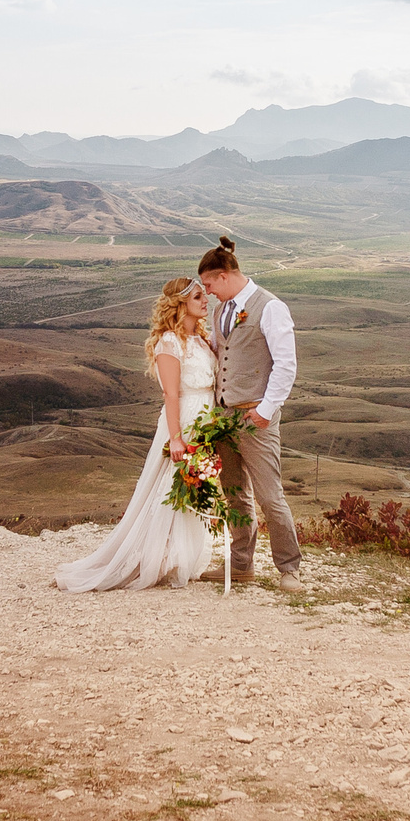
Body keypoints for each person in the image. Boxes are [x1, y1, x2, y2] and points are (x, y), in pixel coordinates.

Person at [51, 276, 219, 592]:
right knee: (170, 487)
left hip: (206, 419)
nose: (205, 300)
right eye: (198, 297)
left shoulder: (202, 338)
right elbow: (171, 394)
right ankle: (153, 557)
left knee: (194, 486)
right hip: (184, 419)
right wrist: (176, 438)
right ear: (180, 303)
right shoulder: (169, 342)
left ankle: (179, 556)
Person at [195, 236, 303, 586]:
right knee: (235, 495)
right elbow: (222, 353)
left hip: (256, 418)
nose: (208, 292)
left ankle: (289, 568)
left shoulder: (270, 307)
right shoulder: (221, 310)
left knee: (270, 497)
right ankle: (241, 565)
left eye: (209, 284)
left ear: (224, 276)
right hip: (224, 418)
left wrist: (266, 410)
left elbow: (285, 365)